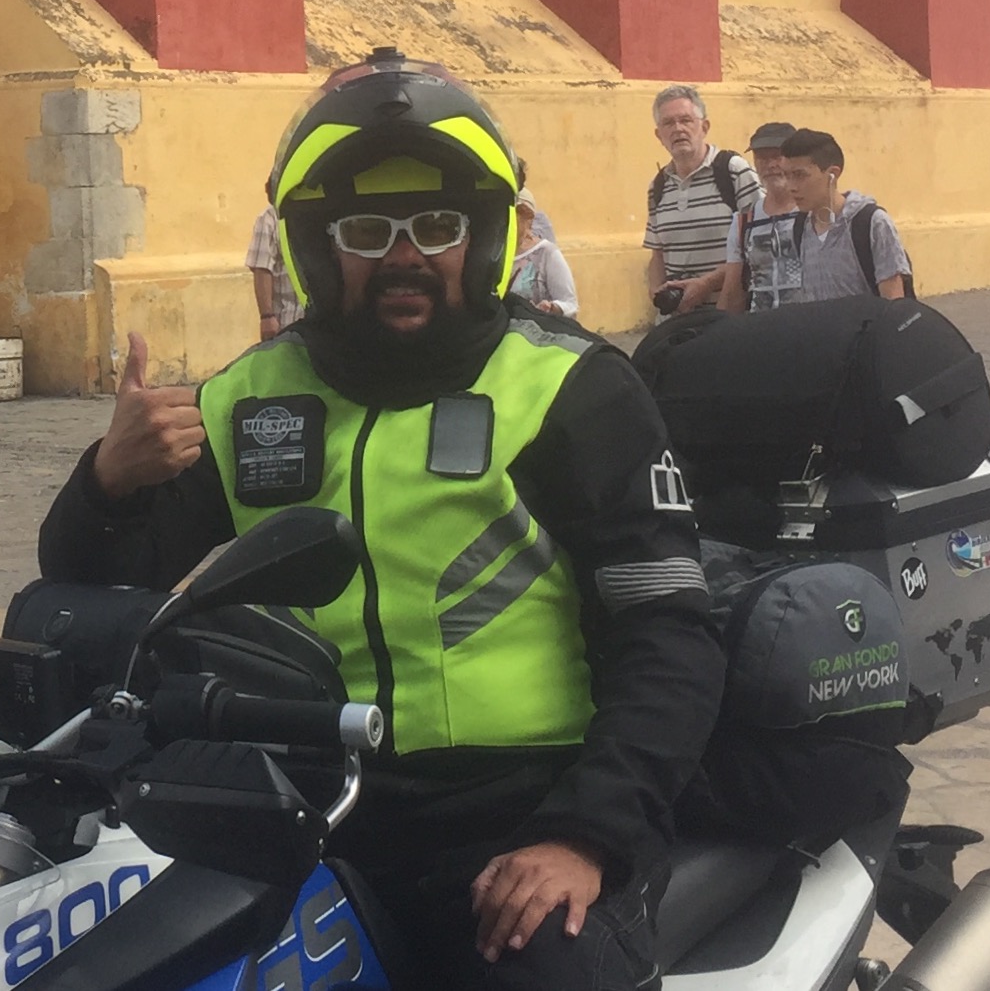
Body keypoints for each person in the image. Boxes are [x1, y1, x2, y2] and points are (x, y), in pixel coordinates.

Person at [39, 48, 723, 991]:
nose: (405, 254)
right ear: (318, 247)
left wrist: (584, 834)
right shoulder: (250, 398)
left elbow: (670, 637)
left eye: (437, 224)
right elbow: (105, 594)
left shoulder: (570, 387)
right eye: (367, 228)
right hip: (296, 809)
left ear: (484, 236)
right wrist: (108, 483)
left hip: (518, 816)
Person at [643, 86, 757, 316]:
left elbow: (759, 247)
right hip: (679, 319)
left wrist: (705, 285)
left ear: (704, 127)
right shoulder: (658, 186)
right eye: (668, 123)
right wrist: (657, 295)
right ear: (659, 135)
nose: (678, 129)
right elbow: (658, 255)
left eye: (686, 120)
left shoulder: (733, 172)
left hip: (730, 315)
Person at [765, 128, 911, 303]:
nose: (791, 187)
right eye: (787, 176)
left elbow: (894, 306)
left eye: (799, 175)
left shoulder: (871, 223)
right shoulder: (800, 226)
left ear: (833, 174)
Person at [720, 122, 804, 313]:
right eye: (762, 157)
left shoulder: (816, 214)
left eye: (778, 156)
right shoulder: (744, 222)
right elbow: (732, 291)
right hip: (760, 332)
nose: (771, 165)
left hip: (810, 331)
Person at [246, 171, 302, 343]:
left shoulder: (307, 216)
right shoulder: (268, 219)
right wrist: (266, 316)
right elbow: (262, 268)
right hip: (285, 321)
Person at [506, 193, 578, 315]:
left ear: (527, 219)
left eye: (511, 217)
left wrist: (552, 307)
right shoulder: (492, 251)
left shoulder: (546, 253)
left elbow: (570, 304)